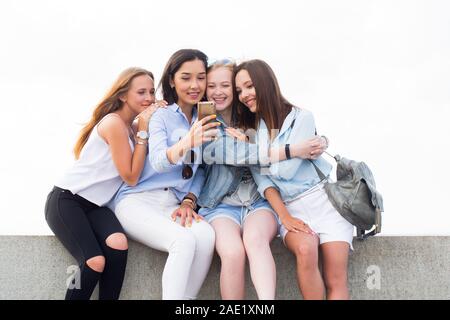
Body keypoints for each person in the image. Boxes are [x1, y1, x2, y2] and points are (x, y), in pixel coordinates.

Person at [198, 59, 328, 299]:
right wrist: (294, 149)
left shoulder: (254, 118)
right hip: (222, 205)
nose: (218, 92)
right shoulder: (205, 126)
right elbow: (236, 154)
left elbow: (282, 136)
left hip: (259, 202)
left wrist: (319, 141)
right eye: (212, 86)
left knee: (256, 240)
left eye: (227, 86)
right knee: (233, 252)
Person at [234, 59, 354, 300]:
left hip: (325, 204)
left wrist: (258, 154)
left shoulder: (302, 117)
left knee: (336, 279)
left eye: (249, 86)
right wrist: (285, 216)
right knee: (305, 248)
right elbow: (265, 182)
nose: (244, 95)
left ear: (265, 83)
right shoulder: (253, 130)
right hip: (289, 208)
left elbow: (285, 172)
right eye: (239, 91)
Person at [44, 67, 166, 300]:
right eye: (141, 92)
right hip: (67, 200)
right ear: (122, 95)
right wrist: (143, 131)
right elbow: (131, 176)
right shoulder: (114, 124)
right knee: (94, 261)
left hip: (96, 206)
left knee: (118, 244)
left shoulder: (131, 130)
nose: (149, 98)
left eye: (152, 91)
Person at [112, 49, 219, 300]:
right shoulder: (160, 114)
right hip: (137, 200)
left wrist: (189, 200)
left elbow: (202, 170)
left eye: (201, 78)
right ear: (172, 80)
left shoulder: (206, 118)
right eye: (186, 78)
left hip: (172, 204)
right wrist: (187, 142)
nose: (195, 85)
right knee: (183, 242)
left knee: (205, 236)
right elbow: (158, 161)